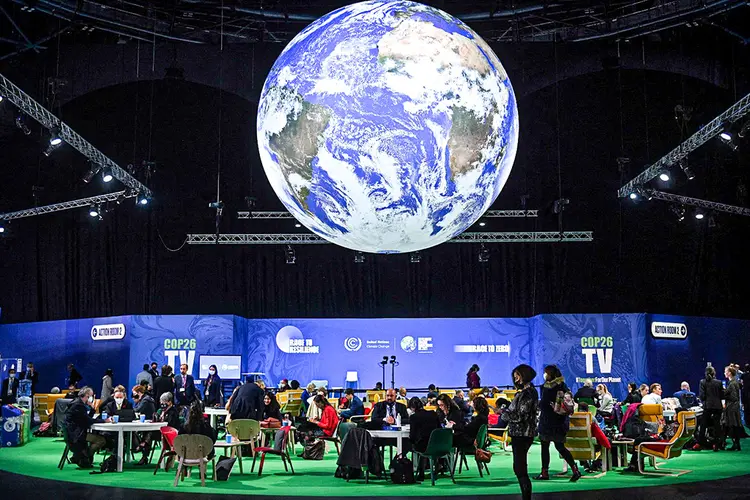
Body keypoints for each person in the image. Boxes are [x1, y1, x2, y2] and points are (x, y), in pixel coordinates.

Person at [535, 365, 581, 482]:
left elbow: (544, 404)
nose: (545, 375)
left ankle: (544, 472)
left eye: (546, 373)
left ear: (550, 374)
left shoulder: (547, 387)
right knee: (560, 447)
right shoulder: (563, 386)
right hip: (561, 422)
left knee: (544, 447)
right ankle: (575, 470)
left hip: (548, 422)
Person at [501, 364, 539, 500]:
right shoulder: (527, 392)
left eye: (517, 374)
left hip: (522, 434)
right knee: (519, 468)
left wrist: (504, 414)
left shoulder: (528, 393)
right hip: (520, 434)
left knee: (520, 469)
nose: (515, 377)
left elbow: (520, 415)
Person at [64, 387, 107, 468]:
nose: (92, 398)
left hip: (74, 432)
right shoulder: (79, 405)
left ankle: (81, 456)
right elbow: (88, 421)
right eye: (91, 396)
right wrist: (105, 421)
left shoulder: (77, 402)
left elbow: (86, 419)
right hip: (76, 435)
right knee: (101, 440)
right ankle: (84, 456)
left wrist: (92, 408)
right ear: (87, 395)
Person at [407, 396, 442, 481]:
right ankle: (437, 466)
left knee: (416, 445)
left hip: (423, 446)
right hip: (438, 445)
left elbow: (412, 436)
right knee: (426, 442)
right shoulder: (433, 414)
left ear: (412, 408)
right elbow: (440, 429)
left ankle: (419, 471)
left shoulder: (413, 417)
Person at [700, 366, 724, 450]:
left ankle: (701, 443)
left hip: (708, 406)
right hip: (718, 406)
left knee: (703, 425)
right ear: (714, 373)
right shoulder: (719, 382)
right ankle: (718, 445)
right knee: (717, 425)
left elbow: (702, 396)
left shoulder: (703, 382)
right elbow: (722, 395)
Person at [131, 385, 157, 465]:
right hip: (145, 424)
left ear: (139, 393)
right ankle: (140, 447)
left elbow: (138, 410)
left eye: (134, 394)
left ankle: (139, 447)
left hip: (149, 425)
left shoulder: (145, 400)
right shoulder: (144, 399)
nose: (133, 396)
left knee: (145, 434)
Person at [723, 365, 742, 451]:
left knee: (733, 426)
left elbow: (734, 397)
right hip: (734, 406)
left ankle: (736, 444)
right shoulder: (735, 382)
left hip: (732, 407)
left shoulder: (732, 383)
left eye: (725, 371)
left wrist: (725, 392)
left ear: (729, 373)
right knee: (734, 425)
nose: (724, 373)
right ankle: (736, 444)